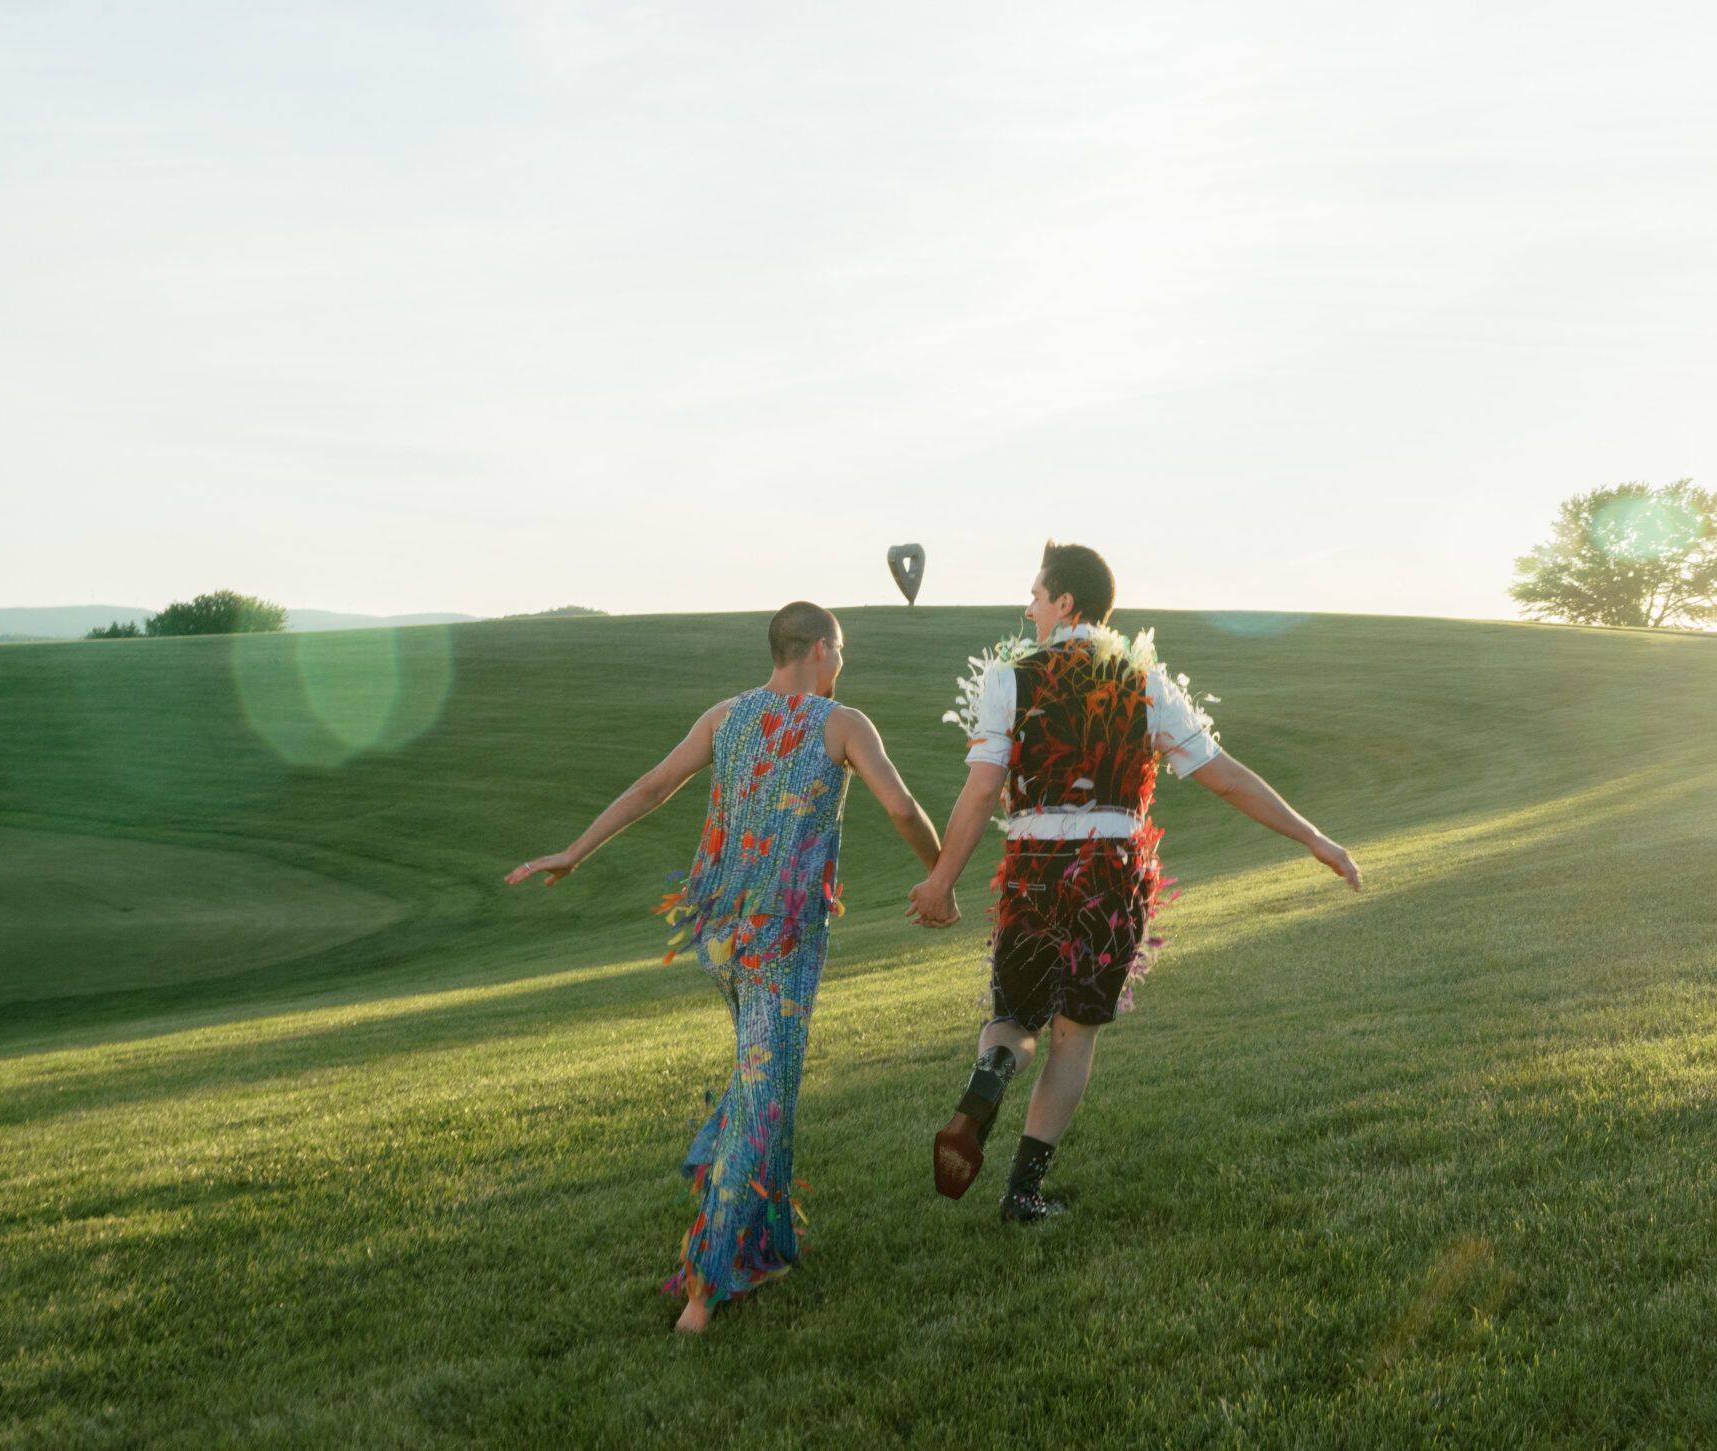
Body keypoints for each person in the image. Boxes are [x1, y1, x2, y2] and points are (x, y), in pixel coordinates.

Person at [508, 601, 944, 1333]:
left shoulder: (725, 716)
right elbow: (901, 807)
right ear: (817, 649)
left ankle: (767, 1246)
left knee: (765, 1075)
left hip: (718, 937)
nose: (843, 667)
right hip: (780, 941)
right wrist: (943, 876)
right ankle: (703, 1293)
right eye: (841, 653)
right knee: (760, 1096)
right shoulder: (843, 723)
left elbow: (652, 784)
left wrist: (574, 850)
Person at [906, 543, 1362, 1222]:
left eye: (1036, 594)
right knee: (1074, 1031)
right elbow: (1227, 777)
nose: (1028, 609)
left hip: (1034, 868)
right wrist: (1314, 837)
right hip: (1112, 877)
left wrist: (942, 880)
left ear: (1066, 602)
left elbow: (981, 791)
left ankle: (992, 1073)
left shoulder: (1011, 675)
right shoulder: (1146, 682)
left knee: (1011, 1016)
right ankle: (1023, 1192)